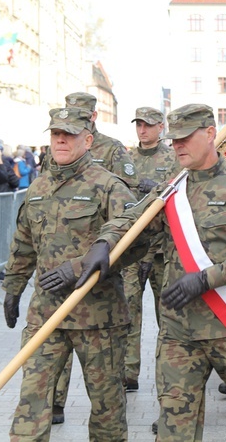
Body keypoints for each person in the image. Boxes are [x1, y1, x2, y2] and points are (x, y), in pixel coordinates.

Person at [68, 103, 226, 441]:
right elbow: (132, 221)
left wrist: (206, 278)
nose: (177, 145)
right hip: (178, 330)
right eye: (174, 139)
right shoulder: (170, 191)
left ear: (211, 134)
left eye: (185, 137)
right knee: (174, 422)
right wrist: (105, 242)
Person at [2, 107, 138, 441]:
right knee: (32, 401)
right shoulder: (39, 187)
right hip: (45, 315)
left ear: (88, 139)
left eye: (70, 134)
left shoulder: (109, 186)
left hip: (98, 318)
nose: (61, 140)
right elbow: (23, 244)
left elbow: (134, 243)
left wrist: (78, 267)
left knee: (106, 406)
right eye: (55, 134)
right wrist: (13, 287)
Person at [50, 92, 140, 425]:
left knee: (105, 391)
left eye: (82, 114)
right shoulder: (57, 152)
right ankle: (55, 401)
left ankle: (130, 370)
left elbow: (128, 199)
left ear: (92, 118)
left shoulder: (113, 151)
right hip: (55, 277)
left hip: (104, 261)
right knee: (55, 345)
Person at [122, 106, 178, 393]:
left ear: (160, 127)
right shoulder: (126, 158)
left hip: (161, 253)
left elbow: (178, 198)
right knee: (129, 311)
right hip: (132, 249)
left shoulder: (172, 157)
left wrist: (157, 186)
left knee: (166, 315)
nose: (142, 130)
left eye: (148, 125)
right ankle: (129, 372)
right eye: (139, 125)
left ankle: (167, 378)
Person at [60, 92, 137, 186]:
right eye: (70, 114)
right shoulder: (58, 147)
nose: (74, 119)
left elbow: (129, 188)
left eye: (80, 115)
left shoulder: (113, 148)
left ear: (93, 116)